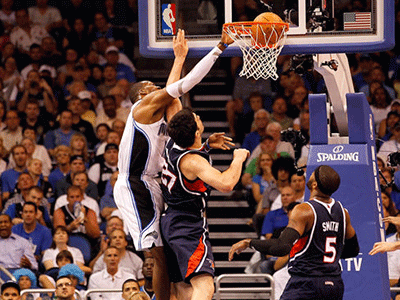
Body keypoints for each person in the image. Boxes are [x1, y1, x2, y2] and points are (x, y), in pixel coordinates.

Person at [114, 29, 233, 300]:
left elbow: (178, 111)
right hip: (135, 183)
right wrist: (213, 49)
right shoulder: (142, 108)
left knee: (165, 255)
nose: (158, 89)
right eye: (152, 87)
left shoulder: (163, 117)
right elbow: (184, 85)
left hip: (153, 182)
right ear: (143, 93)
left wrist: (201, 143)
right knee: (157, 253)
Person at [229, 165, 360, 300]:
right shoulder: (343, 213)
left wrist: (249, 242)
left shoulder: (304, 210)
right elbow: (353, 250)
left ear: (314, 185)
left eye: (313, 173)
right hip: (334, 285)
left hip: (307, 283)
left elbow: (281, 247)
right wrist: (322, 255)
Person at [160, 108, 248, 300]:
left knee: (184, 287)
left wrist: (206, 146)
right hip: (187, 224)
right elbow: (226, 184)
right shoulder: (192, 162)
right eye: (196, 118)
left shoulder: (173, 142)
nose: (198, 116)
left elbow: (174, 97)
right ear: (196, 133)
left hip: (171, 221)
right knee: (205, 286)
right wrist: (238, 159)